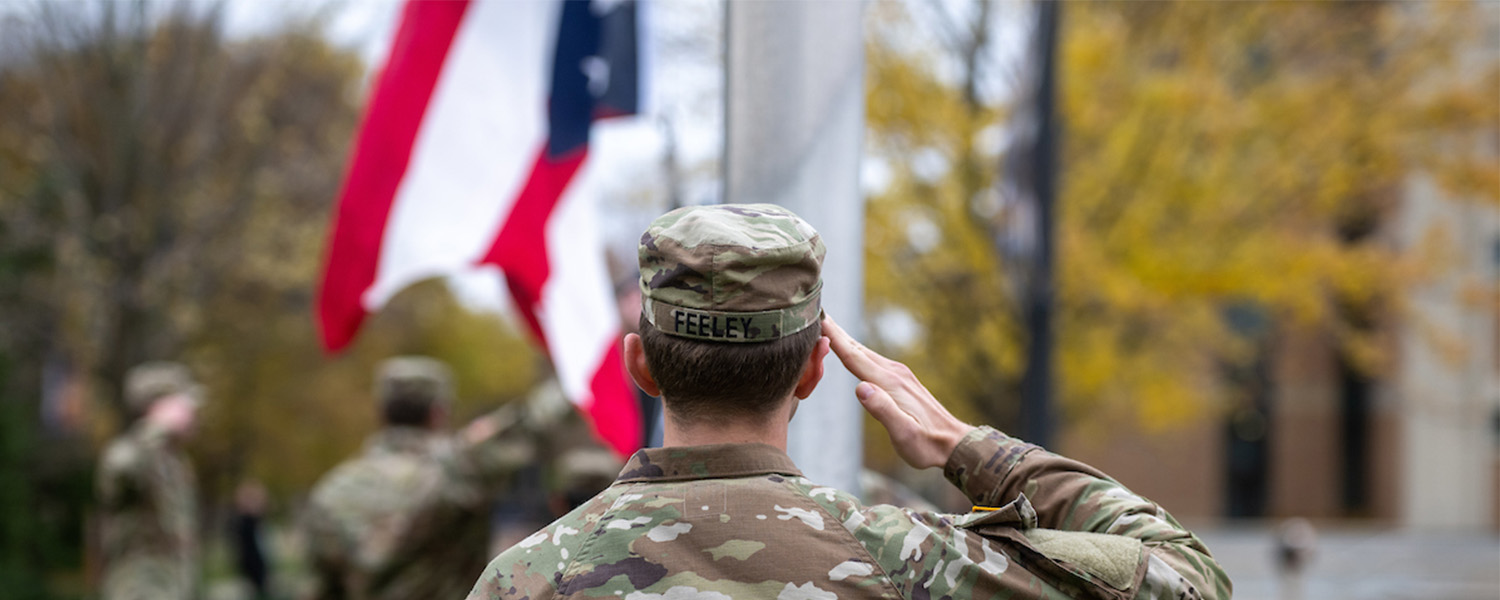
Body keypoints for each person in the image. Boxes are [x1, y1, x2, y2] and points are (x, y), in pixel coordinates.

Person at [467, 203, 1232, 599]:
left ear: (641, 365)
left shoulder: (523, 579)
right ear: (812, 371)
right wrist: (972, 448)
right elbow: (1189, 578)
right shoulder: (913, 561)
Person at [302, 356, 539, 600]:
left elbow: (321, 587)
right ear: (438, 412)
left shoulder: (332, 489)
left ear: (382, 412)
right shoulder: (455, 474)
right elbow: (538, 422)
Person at [96, 361, 205, 600]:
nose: (195, 414)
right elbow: (117, 474)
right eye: (186, 405)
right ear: (160, 407)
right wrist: (155, 428)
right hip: (141, 588)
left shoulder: (174, 460)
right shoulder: (133, 451)